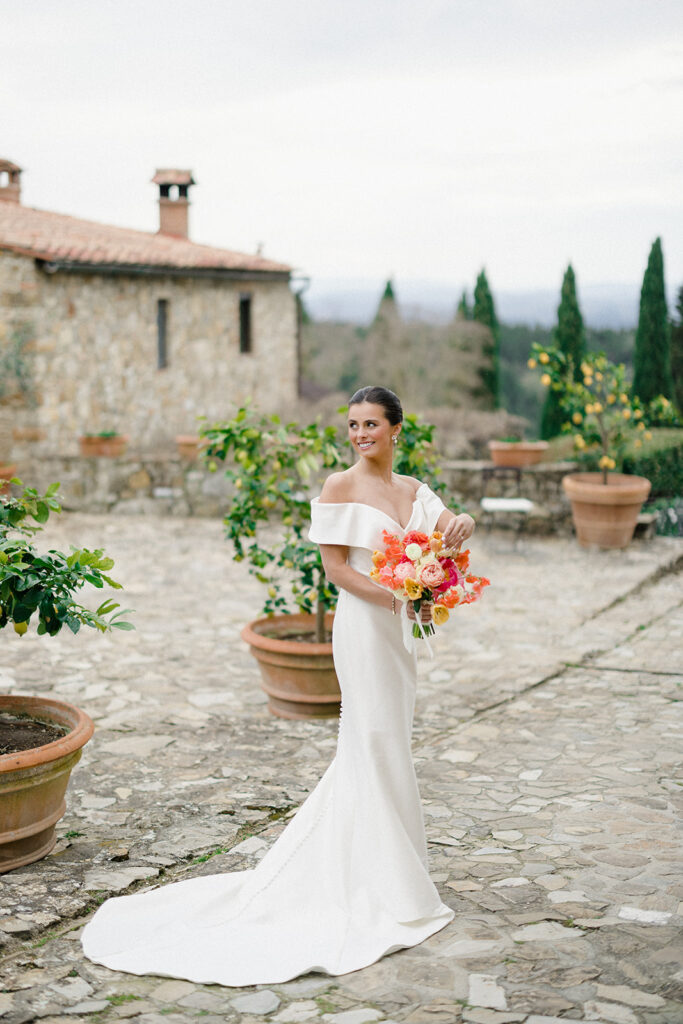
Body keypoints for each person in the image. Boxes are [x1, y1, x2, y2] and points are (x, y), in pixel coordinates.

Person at [81, 385, 475, 986]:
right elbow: (339, 570)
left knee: (391, 741)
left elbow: (449, 525)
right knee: (368, 739)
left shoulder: (413, 491)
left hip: (400, 636)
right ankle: (383, 883)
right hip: (366, 628)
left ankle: (393, 871)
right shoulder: (338, 488)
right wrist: (401, 593)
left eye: (372, 424)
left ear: (397, 429)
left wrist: (458, 531)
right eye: (353, 425)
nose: (361, 434)